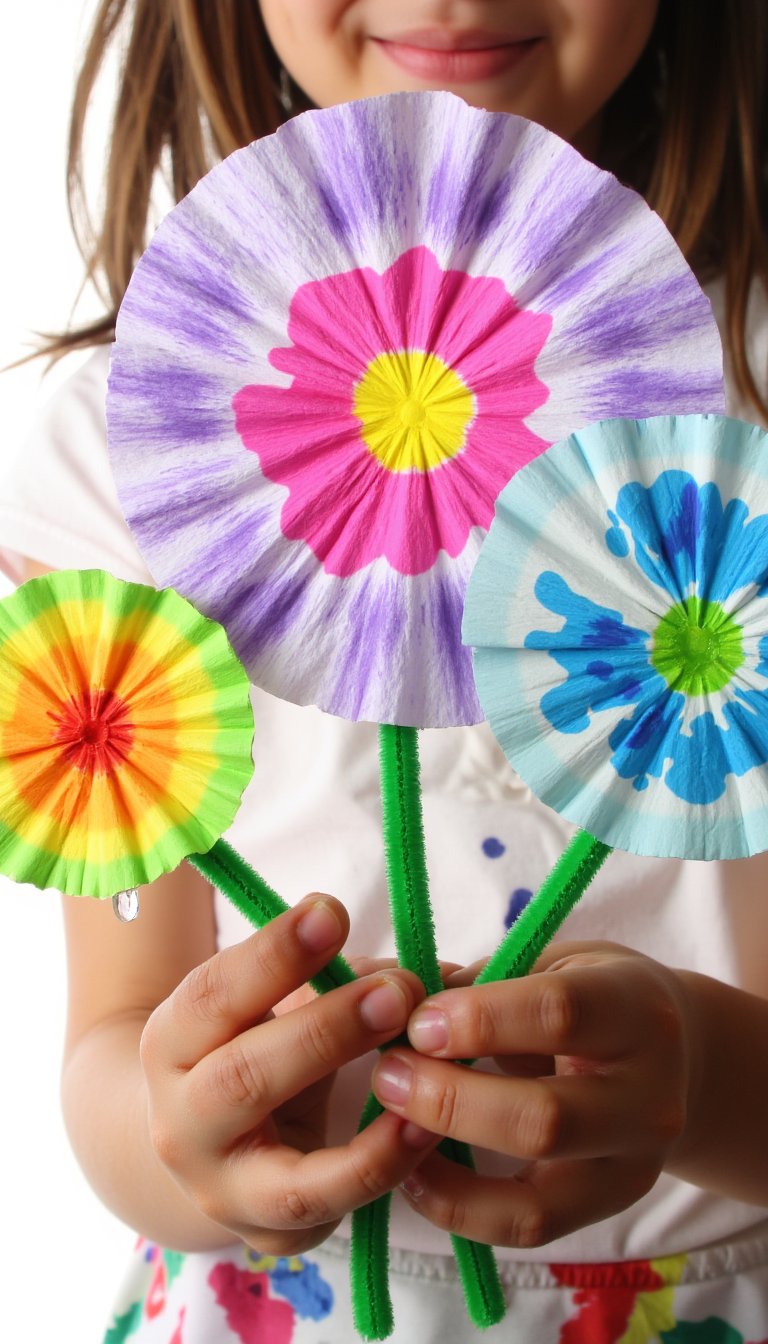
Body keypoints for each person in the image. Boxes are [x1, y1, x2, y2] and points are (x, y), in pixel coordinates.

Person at [3, 2, 768, 1340]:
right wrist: (185, 1137)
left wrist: (697, 1079)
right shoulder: (131, 454)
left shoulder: (744, 430)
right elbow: (110, 1042)